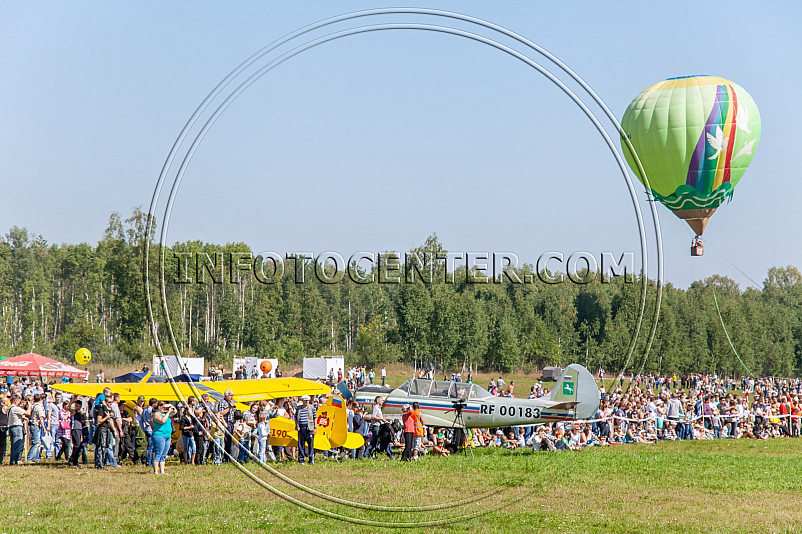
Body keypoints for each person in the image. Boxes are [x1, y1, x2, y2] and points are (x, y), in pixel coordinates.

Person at [151, 401, 177, 475]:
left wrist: (170, 406)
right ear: (159, 407)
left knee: (164, 454)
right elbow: (162, 421)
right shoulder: (156, 414)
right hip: (159, 436)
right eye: (163, 407)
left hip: (167, 436)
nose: (164, 409)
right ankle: (156, 471)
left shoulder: (165, 414)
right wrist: (168, 413)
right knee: (158, 452)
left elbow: (175, 411)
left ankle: (162, 471)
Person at [7, 394, 30, 465]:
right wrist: (29, 405)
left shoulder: (9, 408)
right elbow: (28, 413)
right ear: (16, 401)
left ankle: (12, 460)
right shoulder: (15, 408)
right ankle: (16, 460)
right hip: (17, 427)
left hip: (11, 427)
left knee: (13, 445)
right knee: (17, 444)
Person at [295, 395, 316, 464]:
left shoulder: (312, 408)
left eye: (307, 401)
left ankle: (311, 459)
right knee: (301, 444)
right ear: (302, 401)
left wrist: (315, 428)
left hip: (309, 427)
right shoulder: (298, 408)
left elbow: (314, 418)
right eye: (305, 401)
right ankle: (301, 460)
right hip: (301, 427)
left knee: (310, 444)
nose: (306, 402)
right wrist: (296, 425)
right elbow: (296, 418)